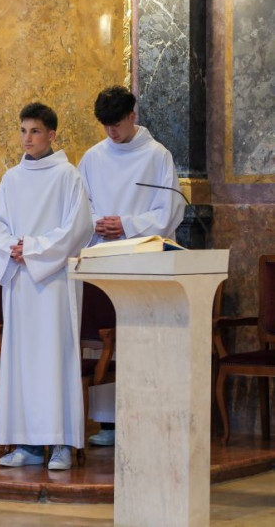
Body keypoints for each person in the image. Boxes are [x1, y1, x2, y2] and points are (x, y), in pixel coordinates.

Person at [0, 102, 93, 470]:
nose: (27, 138)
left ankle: (60, 444)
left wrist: (31, 248)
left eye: (34, 131)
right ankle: (28, 445)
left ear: (51, 135)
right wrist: (10, 248)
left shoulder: (68, 177)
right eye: (23, 131)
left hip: (54, 282)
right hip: (20, 284)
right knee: (23, 362)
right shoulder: (12, 179)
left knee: (55, 359)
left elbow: (78, 229)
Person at [78, 85, 185, 446]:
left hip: (143, 260)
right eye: (106, 125)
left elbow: (169, 212)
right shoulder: (92, 158)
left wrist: (126, 224)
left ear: (132, 116)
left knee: (141, 339)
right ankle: (108, 422)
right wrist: (96, 223)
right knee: (107, 338)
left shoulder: (157, 156)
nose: (112, 132)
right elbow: (79, 206)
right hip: (103, 260)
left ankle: (148, 418)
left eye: (117, 123)